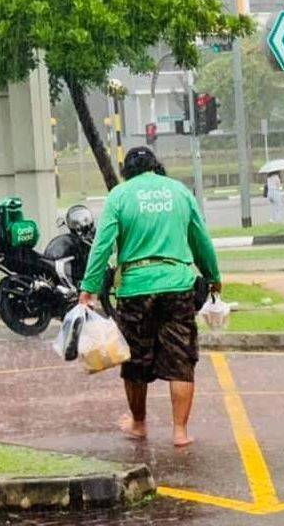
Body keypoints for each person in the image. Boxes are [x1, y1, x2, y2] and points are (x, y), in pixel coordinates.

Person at [78, 146, 221, 447]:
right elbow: (200, 238)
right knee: (181, 359)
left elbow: (102, 244)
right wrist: (213, 277)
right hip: (177, 285)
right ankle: (180, 432)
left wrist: (88, 287)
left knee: (135, 361)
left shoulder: (120, 195)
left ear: (126, 171)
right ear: (157, 166)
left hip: (135, 289)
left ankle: (139, 424)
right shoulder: (179, 192)